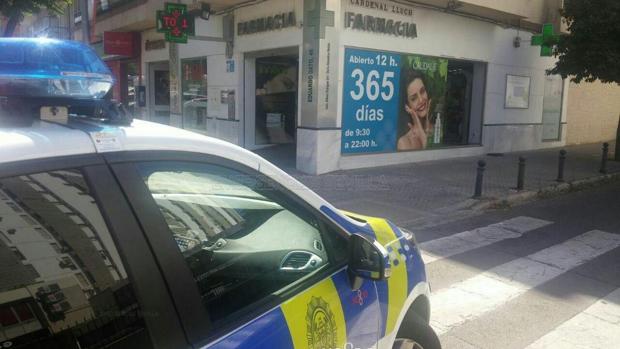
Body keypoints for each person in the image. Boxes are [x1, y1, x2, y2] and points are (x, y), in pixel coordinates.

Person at [397, 69, 434, 151]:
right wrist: (422, 136)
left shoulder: (436, 129)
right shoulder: (404, 142)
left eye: (422, 91)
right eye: (414, 98)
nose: (421, 100)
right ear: (407, 106)